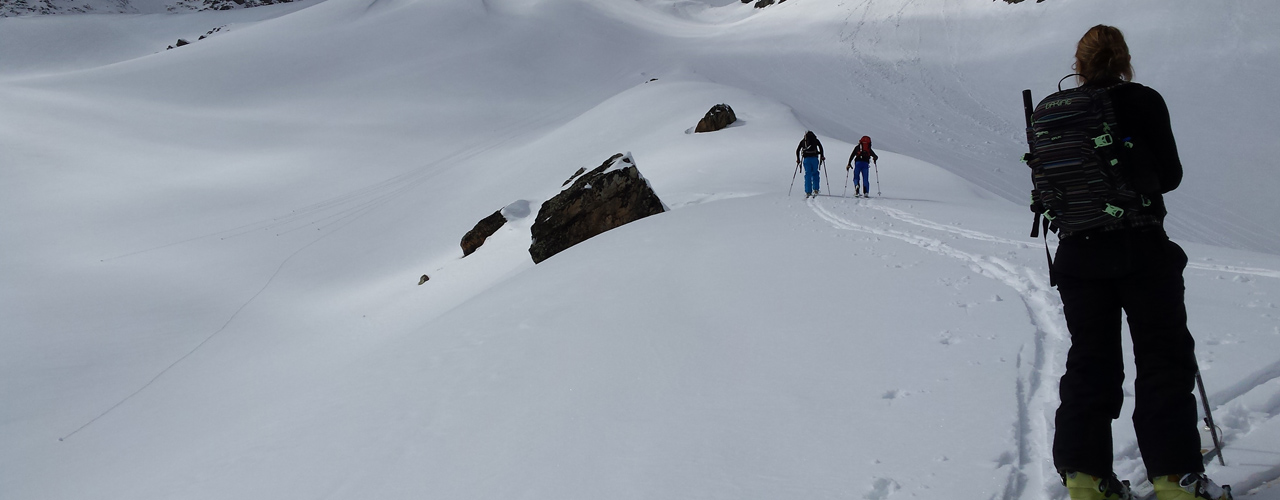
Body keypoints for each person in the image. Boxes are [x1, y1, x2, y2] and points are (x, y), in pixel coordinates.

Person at [1048, 25, 1231, 500]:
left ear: (1079, 64)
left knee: (1090, 361)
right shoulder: (1143, 100)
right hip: (1140, 248)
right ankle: (1175, 482)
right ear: (1124, 59)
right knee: (1163, 359)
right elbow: (1168, 176)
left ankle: (1086, 480)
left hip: (1076, 253)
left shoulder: (1055, 110)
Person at [796, 131, 825, 198]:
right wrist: (822, 156)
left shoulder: (803, 141)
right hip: (814, 158)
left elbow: (797, 150)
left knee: (807, 174)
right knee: (815, 173)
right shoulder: (815, 140)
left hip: (806, 159)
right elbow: (821, 148)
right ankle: (816, 189)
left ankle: (808, 191)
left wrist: (798, 159)